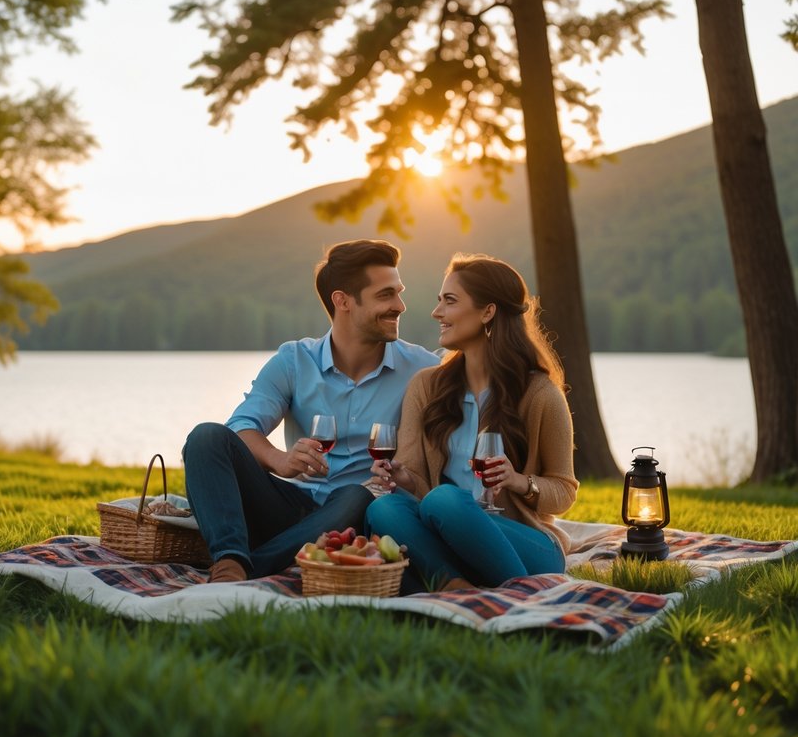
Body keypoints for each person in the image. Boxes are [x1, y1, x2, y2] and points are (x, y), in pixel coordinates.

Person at [182, 239, 441, 582]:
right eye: (386, 295)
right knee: (205, 438)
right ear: (343, 300)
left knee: (359, 493)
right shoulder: (293, 361)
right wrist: (280, 460)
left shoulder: (422, 369)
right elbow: (242, 426)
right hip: (289, 506)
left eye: (399, 292)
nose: (400, 306)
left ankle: (250, 568)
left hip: (361, 519)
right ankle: (229, 559)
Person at [365, 253, 578, 592]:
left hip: (524, 544)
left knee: (443, 500)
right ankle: (455, 587)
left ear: (487, 312)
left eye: (449, 301)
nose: (437, 313)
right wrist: (404, 478)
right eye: (439, 301)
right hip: (447, 533)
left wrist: (519, 482)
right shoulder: (426, 387)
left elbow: (564, 491)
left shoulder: (539, 394)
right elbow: (418, 483)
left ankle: (517, 594)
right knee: (386, 507)